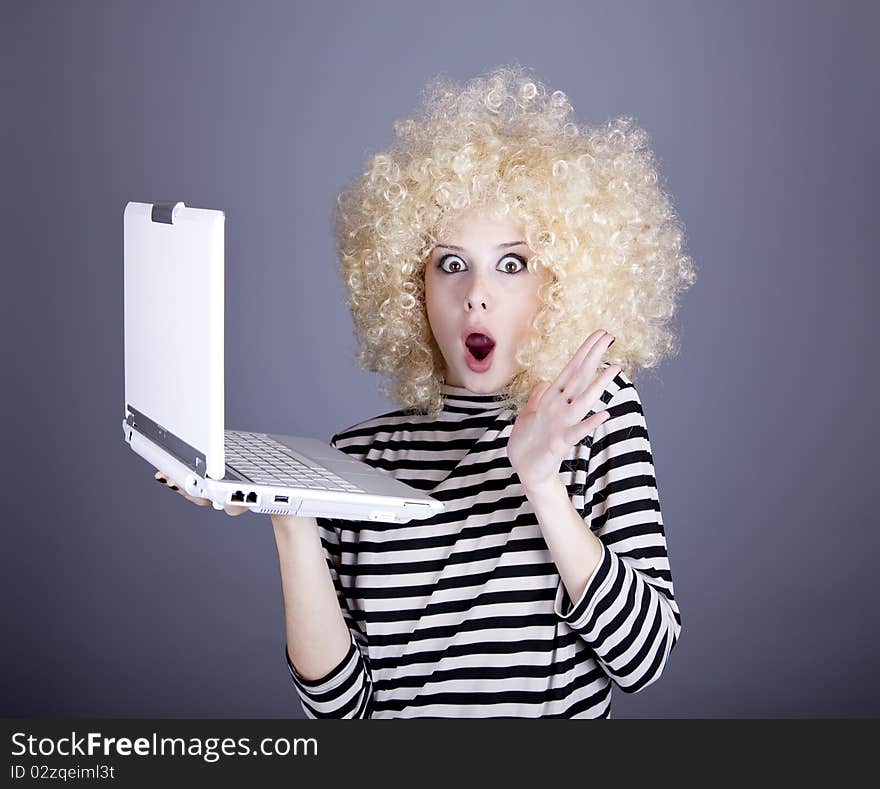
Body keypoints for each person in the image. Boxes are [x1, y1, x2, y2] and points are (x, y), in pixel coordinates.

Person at [156, 64, 696, 718]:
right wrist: (291, 514)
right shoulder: (355, 460)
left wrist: (542, 483)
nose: (476, 293)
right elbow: (338, 709)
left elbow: (644, 657)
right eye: (450, 263)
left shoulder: (594, 422)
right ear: (411, 286)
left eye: (512, 263)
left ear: (559, 281)